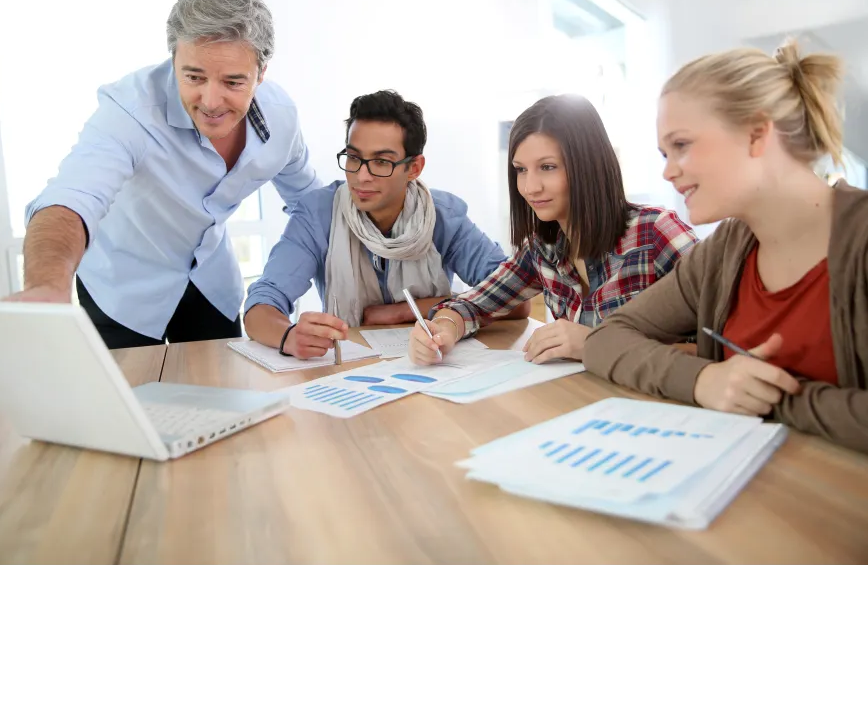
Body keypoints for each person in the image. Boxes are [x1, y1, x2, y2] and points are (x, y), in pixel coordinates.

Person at [583, 40, 868, 454]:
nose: (667, 171)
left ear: (756, 134)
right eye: (665, 153)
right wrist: (704, 380)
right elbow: (606, 339)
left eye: (681, 145)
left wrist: (773, 398)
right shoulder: (722, 253)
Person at [10, 0, 322, 348]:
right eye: (194, 76)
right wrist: (46, 286)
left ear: (261, 71)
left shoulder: (281, 117)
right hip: (122, 290)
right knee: (132, 401)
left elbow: (313, 206)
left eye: (233, 81)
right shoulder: (129, 110)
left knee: (223, 397)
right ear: (173, 58)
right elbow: (72, 198)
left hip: (210, 283)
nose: (211, 100)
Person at [408, 94, 700, 365]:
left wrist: (597, 345)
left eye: (547, 167)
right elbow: (473, 305)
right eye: (521, 170)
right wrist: (443, 330)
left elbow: (728, 350)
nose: (530, 187)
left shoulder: (656, 233)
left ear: (587, 165)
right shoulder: (543, 248)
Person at [243, 90, 528, 359]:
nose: (361, 176)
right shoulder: (318, 213)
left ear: (414, 168)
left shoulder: (443, 215)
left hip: (431, 367)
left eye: (381, 162)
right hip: (349, 369)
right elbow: (260, 305)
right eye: (354, 158)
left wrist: (402, 312)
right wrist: (288, 336)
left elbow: (515, 300)